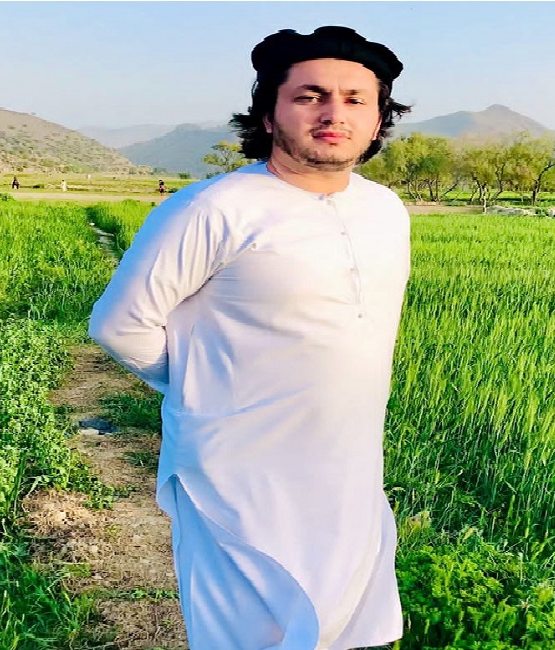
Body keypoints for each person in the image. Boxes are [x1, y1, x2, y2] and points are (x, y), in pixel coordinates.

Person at [88, 25, 411, 650]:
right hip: (237, 469)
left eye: (355, 99)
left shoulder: (385, 211)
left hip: (348, 462)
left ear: (377, 121)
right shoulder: (213, 208)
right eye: (310, 96)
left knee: (344, 624)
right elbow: (120, 326)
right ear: (268, 113)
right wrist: (208, 388)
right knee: (249, 631)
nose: (333, 113)